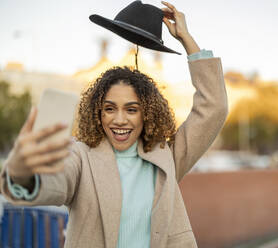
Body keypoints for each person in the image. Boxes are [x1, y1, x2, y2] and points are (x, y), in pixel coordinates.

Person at [0, 2, 228, 248]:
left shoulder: (167, 158)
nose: (119, 119)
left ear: (147, 115)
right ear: (98, 113)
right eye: (109, 109)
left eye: (132, 109)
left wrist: (187, 39)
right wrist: (22, 172)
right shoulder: (80, 156)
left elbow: (213, 107)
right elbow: (54, 183)